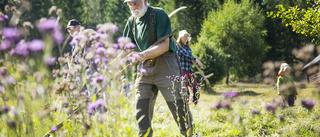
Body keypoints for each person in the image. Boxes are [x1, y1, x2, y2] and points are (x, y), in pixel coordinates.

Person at [123, 0, 192, 136]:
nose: (133, 7)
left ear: (145, 1)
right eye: (130, 4)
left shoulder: (158, 14)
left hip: (166, 63)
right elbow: (126, 48)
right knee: (141, 105)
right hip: (145, 66)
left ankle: (188, 134)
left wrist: (141, 55)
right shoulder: (131, 22)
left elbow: (164, 45)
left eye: (136, 3)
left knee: (177, 103)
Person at [177, 30, 203, 105]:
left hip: (189, 69)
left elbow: (189, 57)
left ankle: (195, 102)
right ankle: (186, 103)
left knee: (195, 86)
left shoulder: (188, 48)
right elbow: (186, 55)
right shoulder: (178, 47)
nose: (186, 38)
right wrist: (196, 59)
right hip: (183, 69)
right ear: (180, 37)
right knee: (185, 86)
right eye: (184, 36)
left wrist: (194, 59)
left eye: (187, 36)